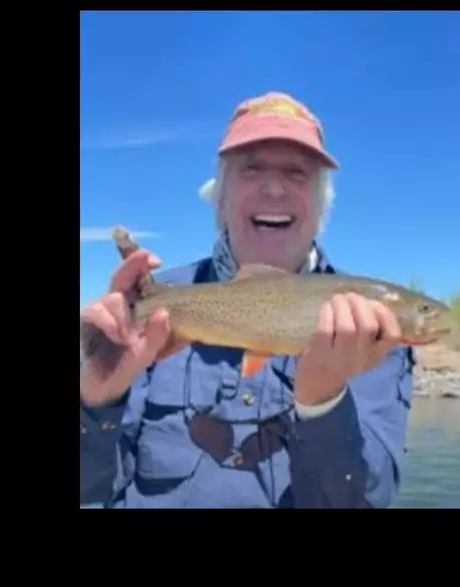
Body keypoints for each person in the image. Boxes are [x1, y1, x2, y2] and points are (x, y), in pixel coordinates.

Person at [79, 91, 415, 508]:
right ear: (220, 197)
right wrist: (93, 402)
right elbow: (88, 491)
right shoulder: (153, 307)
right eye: (251, 168)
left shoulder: (371, 323)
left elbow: (363, 501)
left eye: (297, 172)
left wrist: (323, 403)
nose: (274, 187)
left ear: (321, 205)